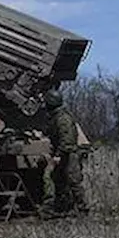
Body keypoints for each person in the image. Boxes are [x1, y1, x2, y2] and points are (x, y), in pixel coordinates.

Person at [41, 89, 89, 217]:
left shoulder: (62, 119)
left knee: (73, 182)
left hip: (69, 155)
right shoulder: (56, 116)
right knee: (59, 180)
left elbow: (67, 141)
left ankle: (82, 209)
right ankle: (63, 207)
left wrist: (58, 156)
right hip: (65, 153)